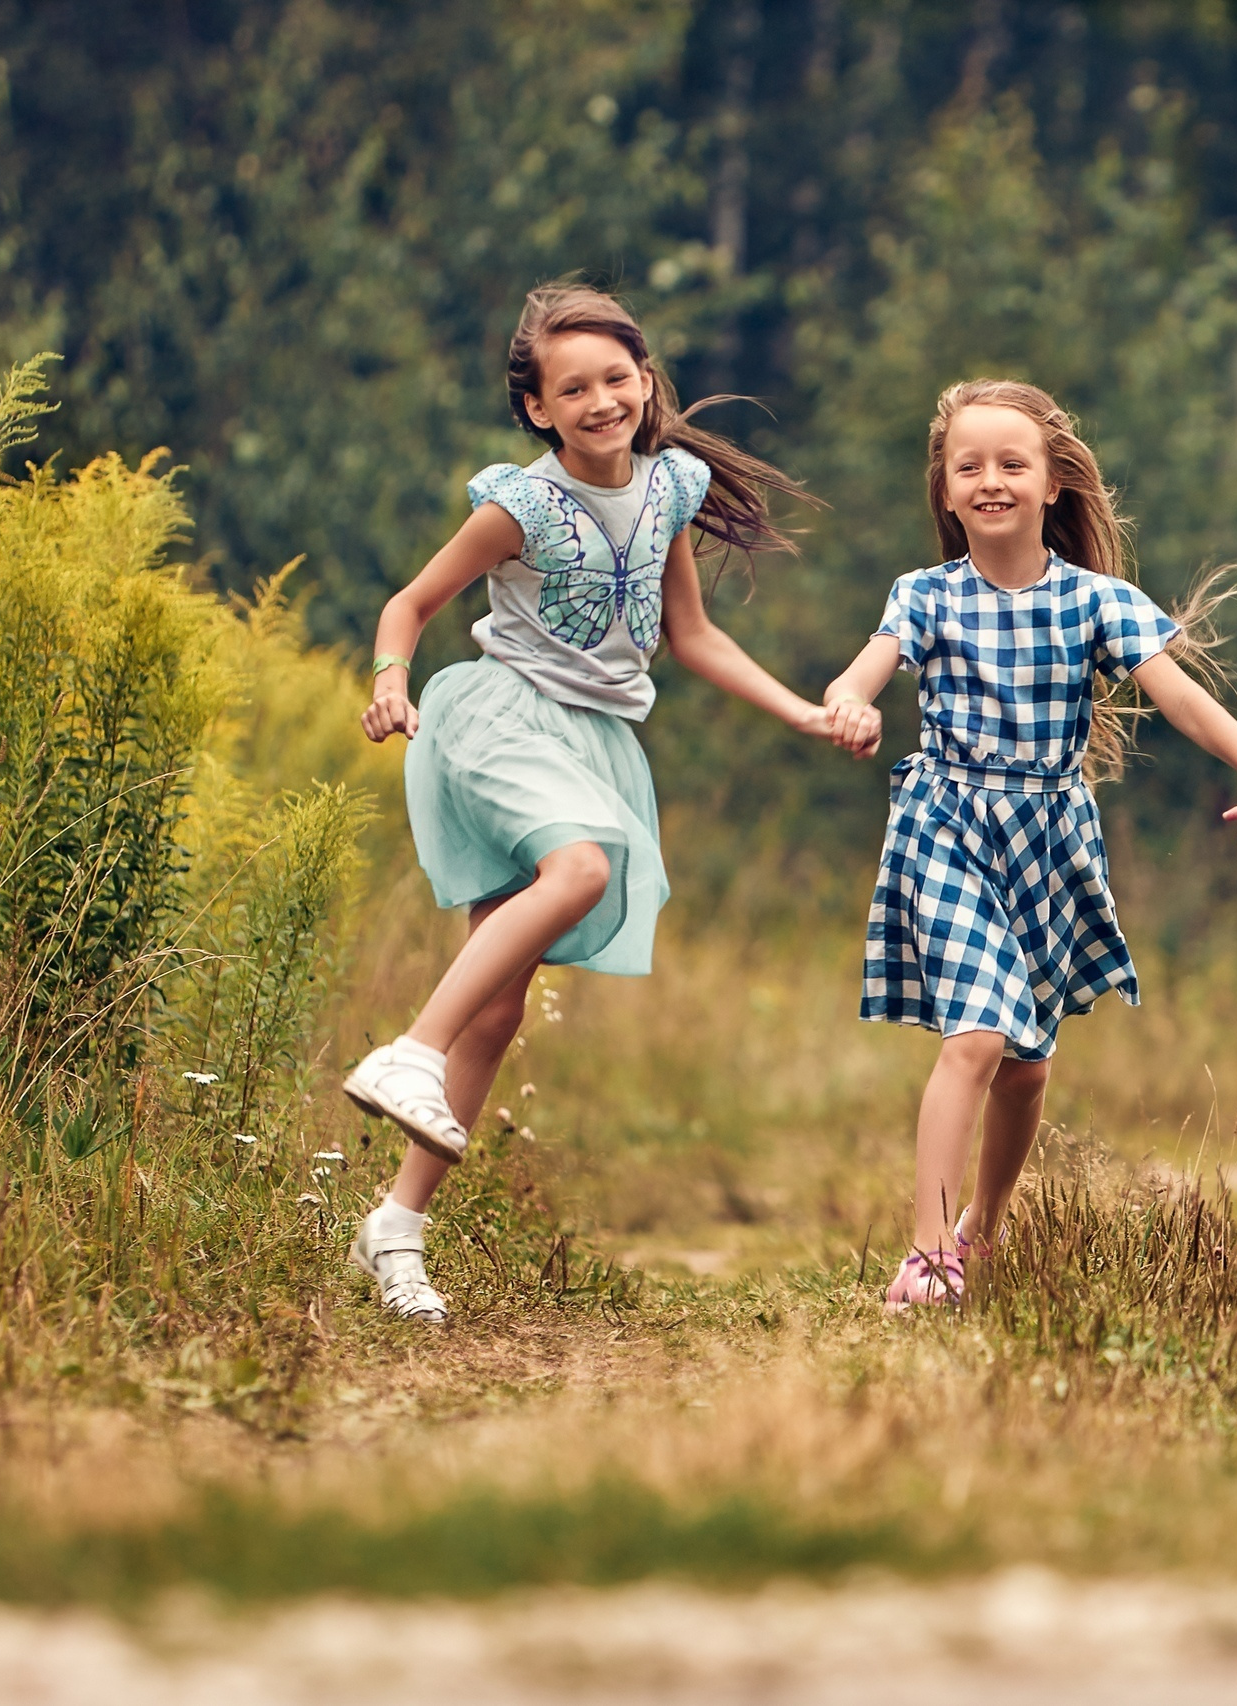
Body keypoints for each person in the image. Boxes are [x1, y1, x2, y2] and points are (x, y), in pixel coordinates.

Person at [343, 283, 878, 1323]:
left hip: (592, 742)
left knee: (499, 1006)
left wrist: (801, 712)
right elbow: (408, 604)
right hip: (499, 719)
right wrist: (386, 677)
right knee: (582, 868)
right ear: (538, 408)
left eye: (616, 379)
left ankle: (394, 1229)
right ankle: (408, 1050)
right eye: (573, 387)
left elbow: (693, 637)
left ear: (645, 383)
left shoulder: (669, 486)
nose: (600, 400)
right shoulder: (519, 506)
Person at [821, 379, 1237, 1313]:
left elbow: (1181, 699)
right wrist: (848, 699)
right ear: (947, 489)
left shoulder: (1099, 601)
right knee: (975, 1034)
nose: (990, 480)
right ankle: (928, 1258)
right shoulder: (924, 595)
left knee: (1027, 1065)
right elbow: (870, 662)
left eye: (1013, 464)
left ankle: (985, 1233)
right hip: (949, 827)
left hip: (1048, 839)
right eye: (970, 466)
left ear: (1053, 485)